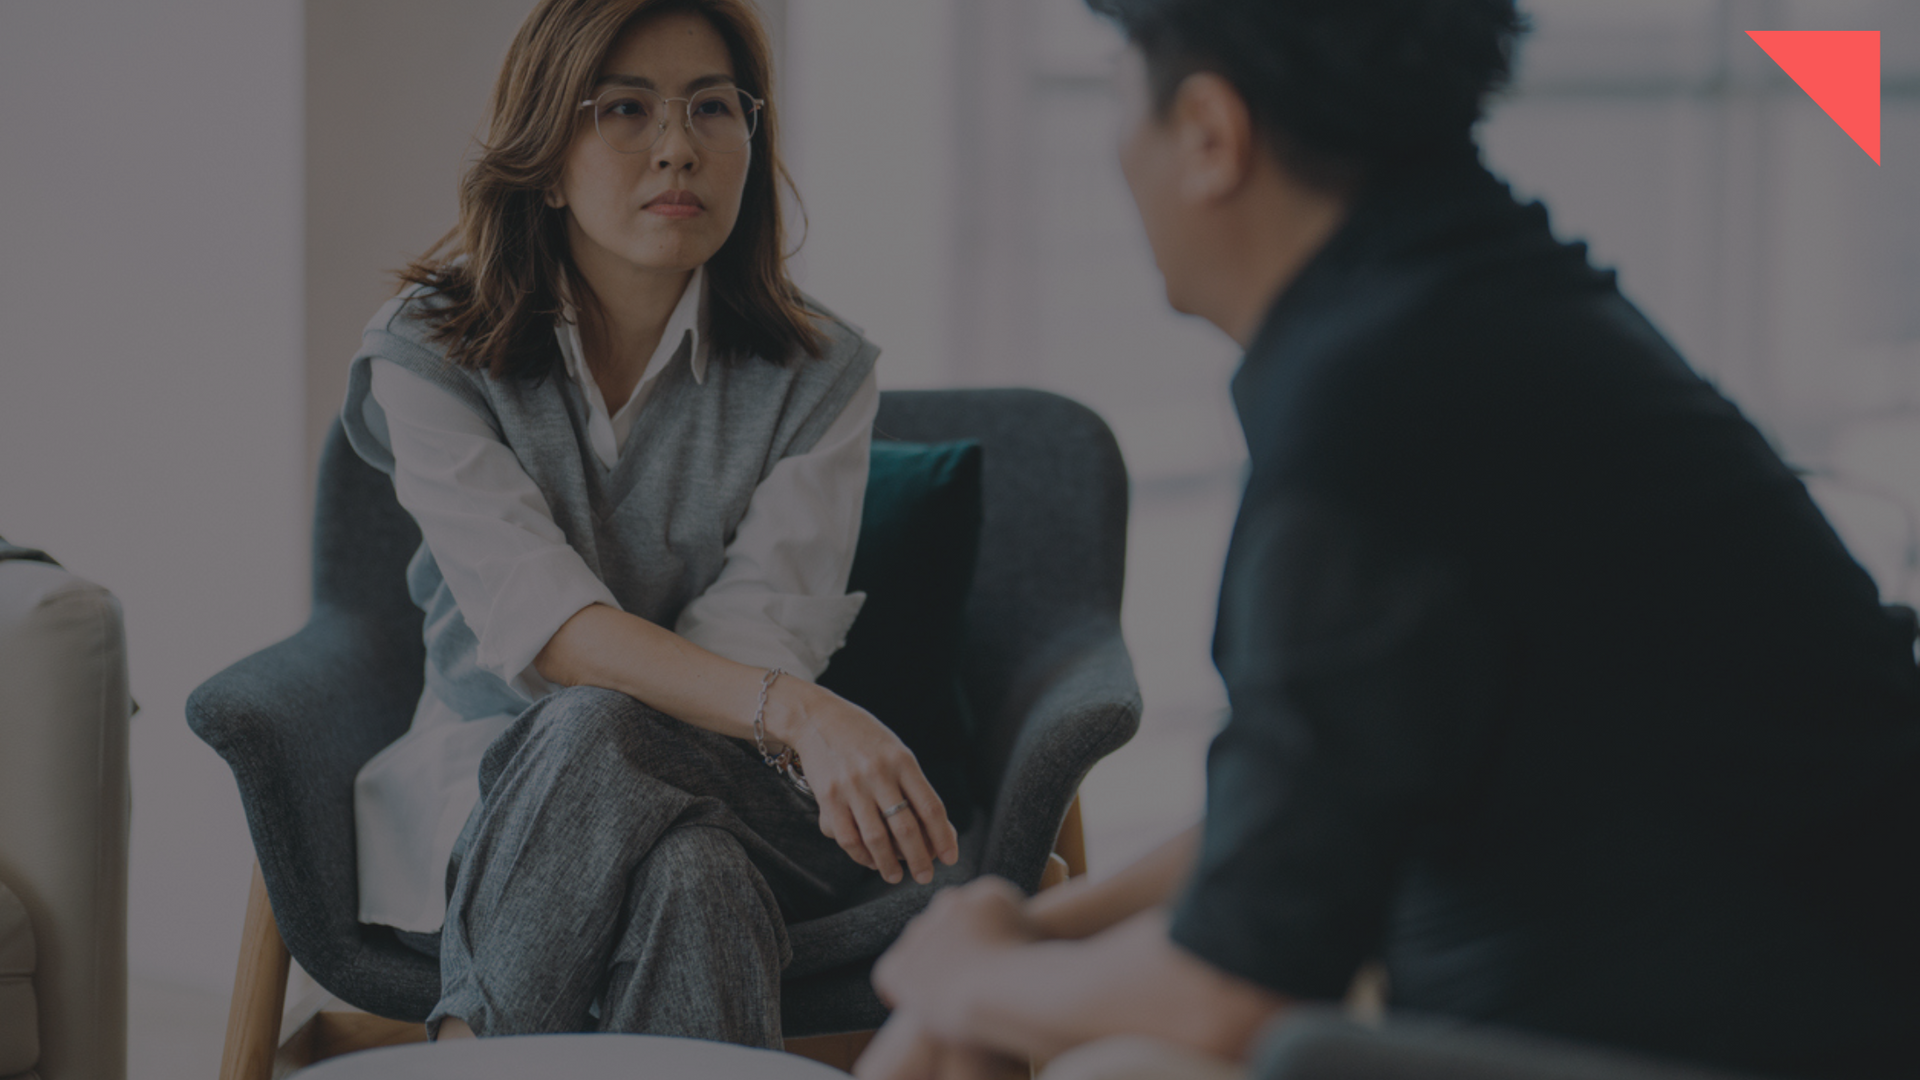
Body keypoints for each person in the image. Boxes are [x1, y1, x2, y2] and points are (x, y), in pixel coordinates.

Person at [858, 1, 1920, 1078]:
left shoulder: (1374, 409)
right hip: (1786, 1010)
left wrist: (966, 978)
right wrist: (1035, 935)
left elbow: (1229, 995)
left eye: (1117, 100)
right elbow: (1300, 822)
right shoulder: (1479, 304)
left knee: (1096, 1061)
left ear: (1211, 139)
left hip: (1714, 1050)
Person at [337, 0, 960, 1048]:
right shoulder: (429, 350)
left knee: (607, 732)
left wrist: (780, 715)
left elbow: (759, 636)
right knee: (689, 870)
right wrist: (807, 716)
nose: (678, 148)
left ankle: (465, 1060)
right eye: (625, 108)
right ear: (542, 154)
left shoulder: (822, 373)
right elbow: (547, 624)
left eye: (714, 107)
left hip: (738, 774)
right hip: (494, 785)